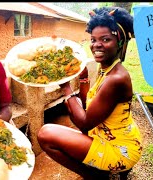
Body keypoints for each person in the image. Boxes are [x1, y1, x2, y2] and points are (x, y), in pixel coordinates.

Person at [37, 7, 142, 179]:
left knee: (45, 134)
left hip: (120, 150)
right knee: (76, 110)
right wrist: (83, 80)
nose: (96, 45)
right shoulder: (108, 69)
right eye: (93, 40)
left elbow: (85, 123)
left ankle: (95, 176)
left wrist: (66, 88)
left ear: (120, 42)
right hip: (116, 136)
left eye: (105, 39)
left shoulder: (116, 79)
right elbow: (89, 107)